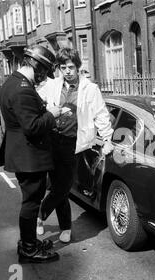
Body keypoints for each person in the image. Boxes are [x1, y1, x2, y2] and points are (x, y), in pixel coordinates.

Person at [36, 47, 114, 243]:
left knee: (65, 186)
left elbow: (101, 115)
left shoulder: (90, 89)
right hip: (52, 140)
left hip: (74, 143)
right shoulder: (52, 86)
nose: (67, 71)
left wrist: (107, 140)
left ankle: (40, 213)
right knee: (57, 186)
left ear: (78, 67)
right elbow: (36, 100)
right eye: (63, 67)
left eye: (71, 67)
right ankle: (66, 227)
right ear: (59, 69)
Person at [0, 45, 63, 263]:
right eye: (44, 73)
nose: (43, 79)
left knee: (31, 202)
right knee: (31, 203)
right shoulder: (23, 88)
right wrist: (52, 114)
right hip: (29, 156)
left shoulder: (12, 82)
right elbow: (32, 126)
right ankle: (29, 249)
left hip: (22, 153)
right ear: (37, 66)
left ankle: (29, 242)